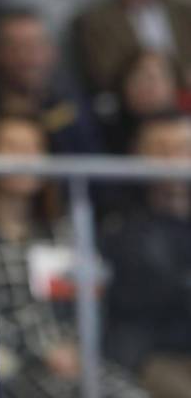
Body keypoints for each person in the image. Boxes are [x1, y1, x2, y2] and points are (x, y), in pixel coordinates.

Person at [0, 114, 146, 398]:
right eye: (11, 147)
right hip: (10, 366)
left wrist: (77, 346)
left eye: (34, 148)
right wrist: (42, 349)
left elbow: (89, 298)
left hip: (74, 361)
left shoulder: (66, 231)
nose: (24, 159)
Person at [101, 112, 191, 398]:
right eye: (162, 150)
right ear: (138, 155)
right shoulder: (117, 224)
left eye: (183, 149)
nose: (174, 160)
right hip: (149, 356)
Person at [0, 9, 103, 154]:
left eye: (34, 46)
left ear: (52, 51)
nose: (26, 57)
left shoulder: (71, 109)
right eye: (15, 47)